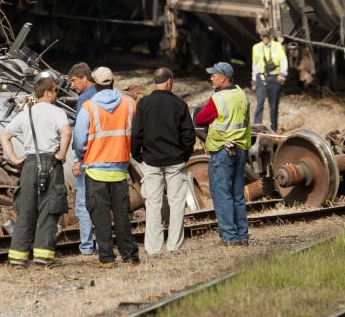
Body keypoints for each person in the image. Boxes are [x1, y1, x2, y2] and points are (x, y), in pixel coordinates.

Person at [0, 75, 72, 267]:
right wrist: (62, 154)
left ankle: (17, 258)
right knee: (50, 210)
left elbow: (5, 136)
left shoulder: (25, 114)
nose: (57, 94)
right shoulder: (57, 113)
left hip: (30, 164)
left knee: (26, 211)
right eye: (56, 90)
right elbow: (66, 132)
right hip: (51, 162)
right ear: (48, 92)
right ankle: (42, 256)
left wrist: (15, 159)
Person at [73, 66, 140, 268]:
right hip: (119, 168)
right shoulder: (130, 103)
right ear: (113, 81)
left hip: (95, 169)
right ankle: (130, 256)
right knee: (122, 215)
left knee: (100, 217)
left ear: (94, 82)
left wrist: (82, 155)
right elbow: (136, 132)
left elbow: (79, 140)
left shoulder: (88, 107)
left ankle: (107, 258)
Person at [131, 67, 196, 255]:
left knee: (153, 204)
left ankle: (153, 248)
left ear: (155, 82)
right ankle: (174, 246)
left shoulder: (143, 104)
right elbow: (188, 135)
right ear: (169, 82)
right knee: (176, 203)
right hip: (175, 160)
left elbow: (136, 133)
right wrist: (184, 154)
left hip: (151, 160)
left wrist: (138, 155)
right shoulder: (179, 104)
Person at [194, 61, 252, 246]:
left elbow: (200, 119)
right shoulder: (242, 94)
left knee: (222, 194)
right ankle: (242, 236)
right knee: (237, 194)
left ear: (223, 78)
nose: (211, 77)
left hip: (222, 151)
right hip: (241, 148)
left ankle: (229, 237)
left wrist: (200, 110)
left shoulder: (218, 99)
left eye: (214, 75)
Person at [67, 62, 97, 256]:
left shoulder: (84, 100)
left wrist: (77, 158)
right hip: (105, 157)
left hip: (87, 158)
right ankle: (102, 244)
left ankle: (86, 247)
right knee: (101, 203)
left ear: (85, 78)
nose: (71, 85)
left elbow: (80, 134)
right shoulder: (104, 95)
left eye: (74, 80)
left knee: (83, 204)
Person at [251, 28, 289, 131]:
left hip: (274, 77)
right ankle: (256, 126)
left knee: (273, 105)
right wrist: (254, 78)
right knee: (260, 102)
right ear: (261, 38)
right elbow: (254, 64)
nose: (265, 39)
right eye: (263, 37)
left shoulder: (277, 46)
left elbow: (283, 61)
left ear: (270, 37)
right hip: (261, 77)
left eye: (267, 37)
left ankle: (273, 128)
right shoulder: (256, 48)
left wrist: (282, 74)